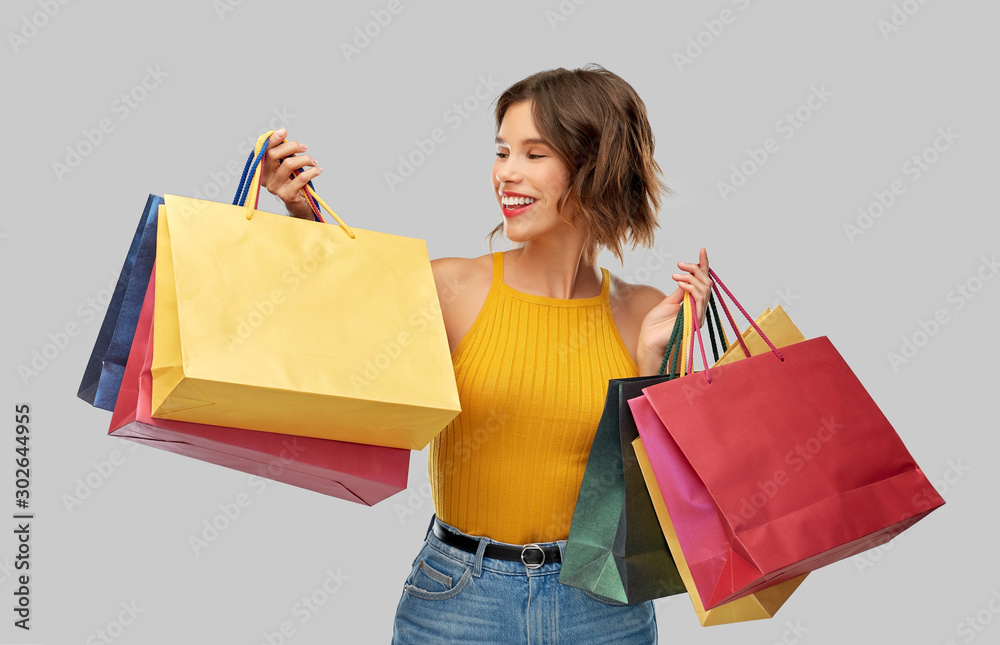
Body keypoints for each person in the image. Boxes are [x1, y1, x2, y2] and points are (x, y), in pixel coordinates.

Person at [261, 64, 712, 644]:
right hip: (460, 598)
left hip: (604, 604)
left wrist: (658, 363)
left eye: (534, 153)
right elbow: (341, 339)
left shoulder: (646, 312)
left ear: (595, 166)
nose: (506, 173)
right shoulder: (451, 288)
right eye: (502, 152)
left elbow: (663, 505)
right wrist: (303, 215)